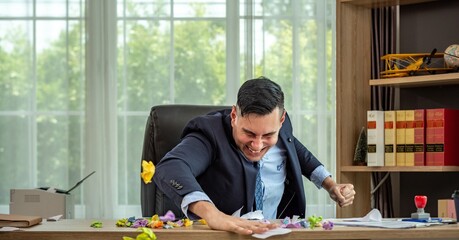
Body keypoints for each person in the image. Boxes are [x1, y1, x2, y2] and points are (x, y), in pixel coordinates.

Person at [153, 77, 355, 235]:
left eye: (268, 135)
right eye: (248, 133)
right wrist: (212, 214)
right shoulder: (208, 133)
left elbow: (299, 153)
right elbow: (170, 167)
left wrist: (331, 185)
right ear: (234, 116)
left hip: (278, 234)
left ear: (281, 120)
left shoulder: (282, 128)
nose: (257, 145)